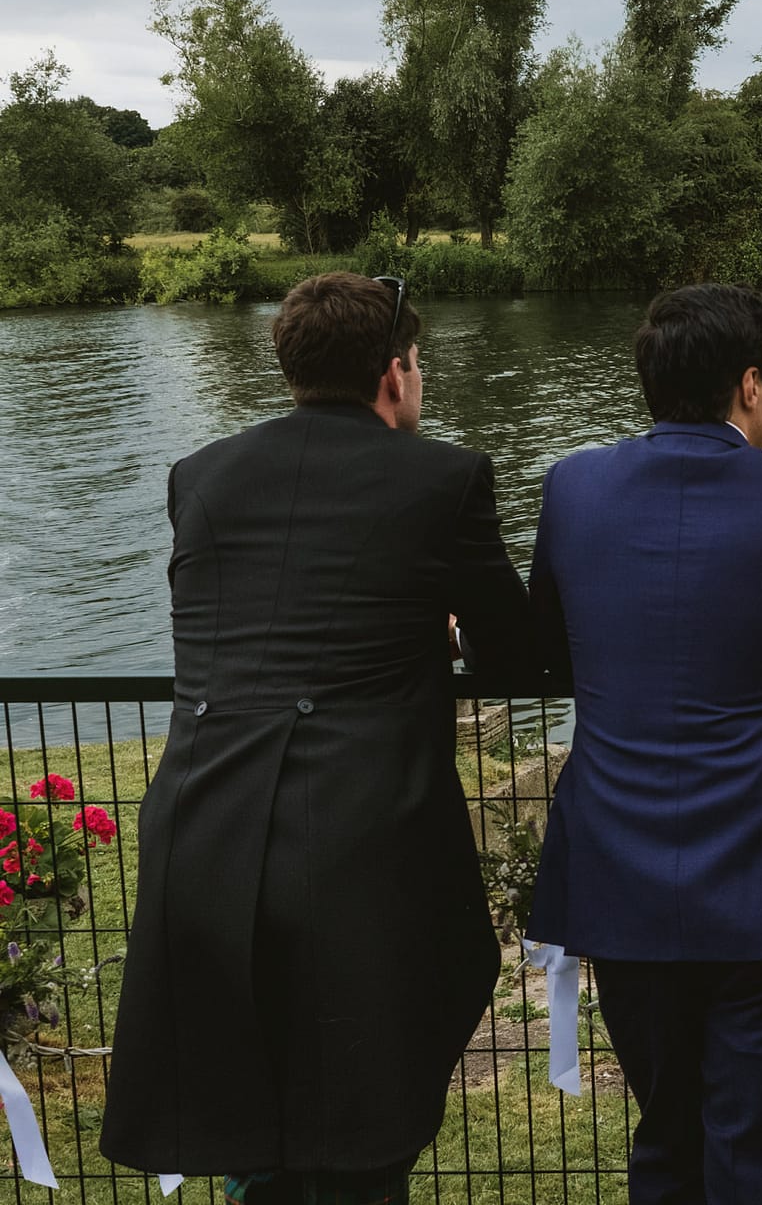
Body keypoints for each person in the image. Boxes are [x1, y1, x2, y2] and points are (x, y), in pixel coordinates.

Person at [101, 273, 536, 1199]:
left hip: (201, 828)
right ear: (395, 374)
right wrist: (447, 636)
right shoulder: (446, 476)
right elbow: (516, 655)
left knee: (250, 1106)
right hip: (351, 841)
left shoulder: (201, 475)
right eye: (418, 366)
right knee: (357, 1131)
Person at [524, 283, 762, 1205]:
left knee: (668, 1138)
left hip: (619, 873)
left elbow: (547, 646)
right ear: (747, 386)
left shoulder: (574, 487)